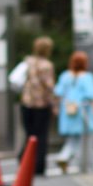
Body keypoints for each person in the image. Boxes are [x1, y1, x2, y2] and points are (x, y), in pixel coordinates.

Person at [54, 51, 93, 174]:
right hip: (83, 111)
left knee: (72, 139)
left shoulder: (65, 76)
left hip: (67, 110)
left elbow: (58, 93)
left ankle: (63, 156)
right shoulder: (87, 77)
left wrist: (56, 108)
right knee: (86, 140)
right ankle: (86, 165)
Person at [17, 36, 56, 176]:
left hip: (26, 103)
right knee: (41, 135)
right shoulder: (46, 65)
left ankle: (23, 160)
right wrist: (54, 105)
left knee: (29, 133)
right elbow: (49, 87)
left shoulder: (28, 63)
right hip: (41, 105)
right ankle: (38, 166)